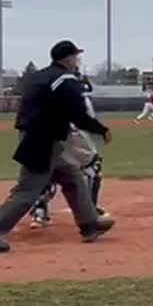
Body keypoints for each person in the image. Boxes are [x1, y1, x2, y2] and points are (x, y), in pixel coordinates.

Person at [0, 40, 114, 255]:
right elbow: (79, 115)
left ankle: (89, 223)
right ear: (67, 59)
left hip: (38, 137)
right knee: (27, 191)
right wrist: (100, 130)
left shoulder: (39, 76)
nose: (77, 61)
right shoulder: (66, 80)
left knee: (72, 176)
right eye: (75, 57)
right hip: (43, 141)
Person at [32, 74, 107, 229]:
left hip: (42, 134)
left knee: (50, 168)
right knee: (93, 165)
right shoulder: (78, 92)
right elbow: (87, 117)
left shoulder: (48, 90)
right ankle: (89, 211)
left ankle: (39, 211)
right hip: (69, 133)